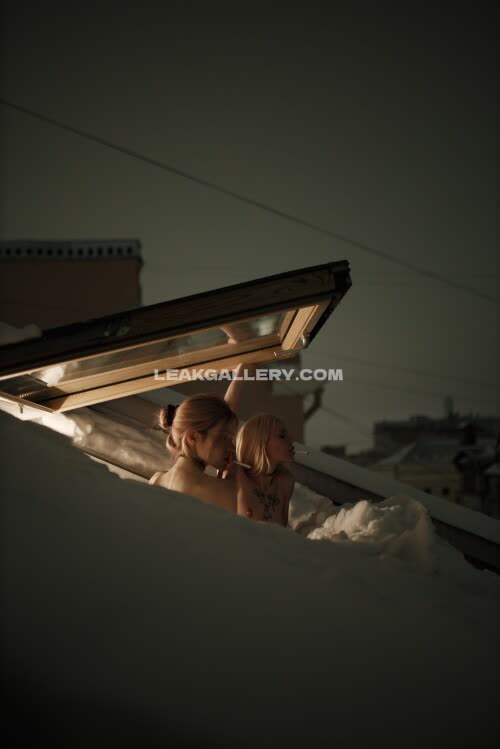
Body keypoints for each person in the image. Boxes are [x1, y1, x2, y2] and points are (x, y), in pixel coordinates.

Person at [148, 363, 249, 513]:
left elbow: (218, 421)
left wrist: (240, 376)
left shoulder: (156, 480)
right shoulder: (226, 491)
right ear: (192, 438)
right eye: (224, 438)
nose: (232, 447)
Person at [232, 414, 296, 527]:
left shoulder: (286, 482)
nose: (291, 440)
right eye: (282, 436)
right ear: (260, 442)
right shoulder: (237, 474)